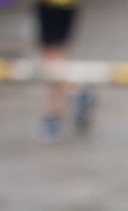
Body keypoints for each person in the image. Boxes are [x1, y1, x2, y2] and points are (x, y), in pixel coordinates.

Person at [35, 0, 92, 141]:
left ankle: (73, 95)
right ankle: (55, 113)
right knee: (56, 58)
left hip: (52, 6)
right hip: (68, 5)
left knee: (52, 60)